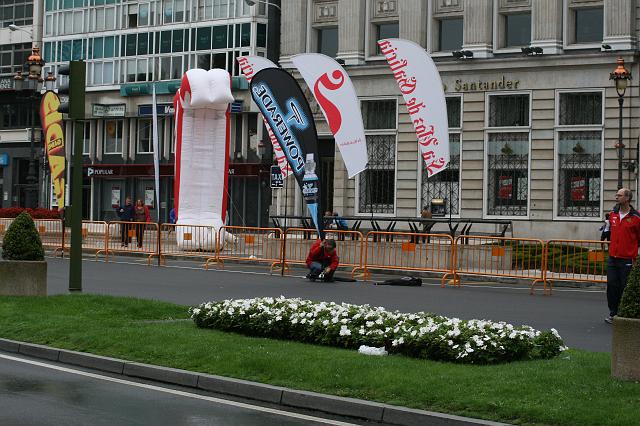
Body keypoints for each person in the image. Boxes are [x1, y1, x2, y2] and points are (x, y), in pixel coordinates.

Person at [605, 188, 640, 324]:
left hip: (627, 258)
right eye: (616, 195)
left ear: (627, 198)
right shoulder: (612, 214)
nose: (616, 197)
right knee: (611, 285)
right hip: (613, 257)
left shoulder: (636, 217)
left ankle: (623, 312)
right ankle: (613, 312)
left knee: (624, 286)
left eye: (619, 195)